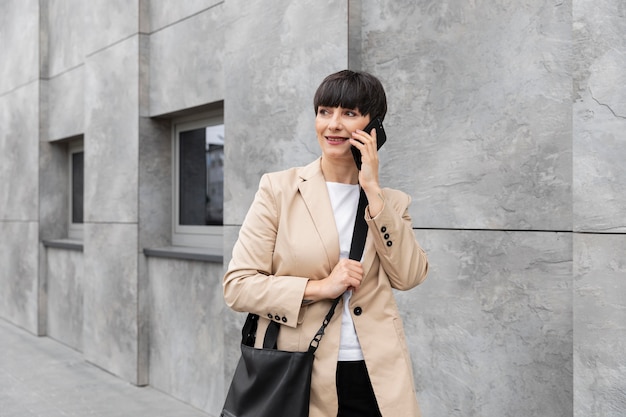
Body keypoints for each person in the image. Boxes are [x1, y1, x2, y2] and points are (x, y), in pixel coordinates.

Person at [223, 70, 429, 417]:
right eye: (324, 111)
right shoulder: (279, 189)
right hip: (300, 370)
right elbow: (238, 287)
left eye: (349, 113)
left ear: (373, 126)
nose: (333, 124)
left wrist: (373, 192)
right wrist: (319, 288)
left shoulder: (391, 202)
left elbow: (409, 276)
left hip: (375, 374)